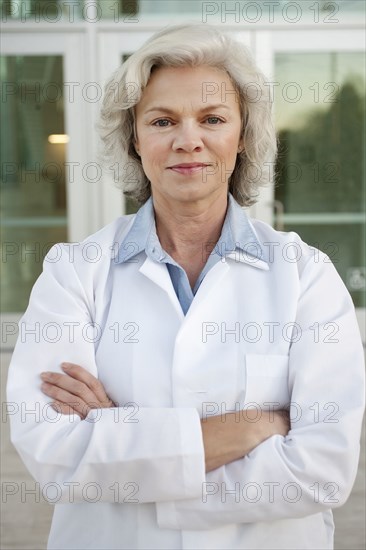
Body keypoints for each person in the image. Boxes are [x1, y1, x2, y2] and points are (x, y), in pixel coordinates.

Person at [7, 24, 365, 550]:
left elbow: (322, 470)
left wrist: (122, 442)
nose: (188, 140)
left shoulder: (306, 274)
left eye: (213, 119)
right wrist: (251, 427)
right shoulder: (73, 271)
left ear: (242, 136)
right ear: (134, 137)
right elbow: (55, 455)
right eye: (162, 120)